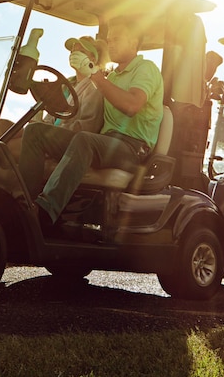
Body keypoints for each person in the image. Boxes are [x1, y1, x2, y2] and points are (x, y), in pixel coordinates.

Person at [19, 19, 164, 226]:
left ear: (133, 42)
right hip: (105, 144)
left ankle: (44, 212)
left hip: (131, 148)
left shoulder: (145, 68)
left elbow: (132, 105)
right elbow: (86, 108)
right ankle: (24, 205)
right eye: (109, 39)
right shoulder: (112, 76)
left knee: (84, 140)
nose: (110, 43)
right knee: (35, 132)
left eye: (116, 39)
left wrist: (95, 75)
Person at [5, 35, 108, 159]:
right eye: (72, 51)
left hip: (66, 141)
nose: (74, 54)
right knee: (2, 127)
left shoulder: (96, 87)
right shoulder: (66, 85)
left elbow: (88, 126)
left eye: (81, 52)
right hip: (48, 133)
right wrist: (40, 113)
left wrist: (51, 131)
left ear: (93, 58)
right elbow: (50, 118)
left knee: (7, 147)